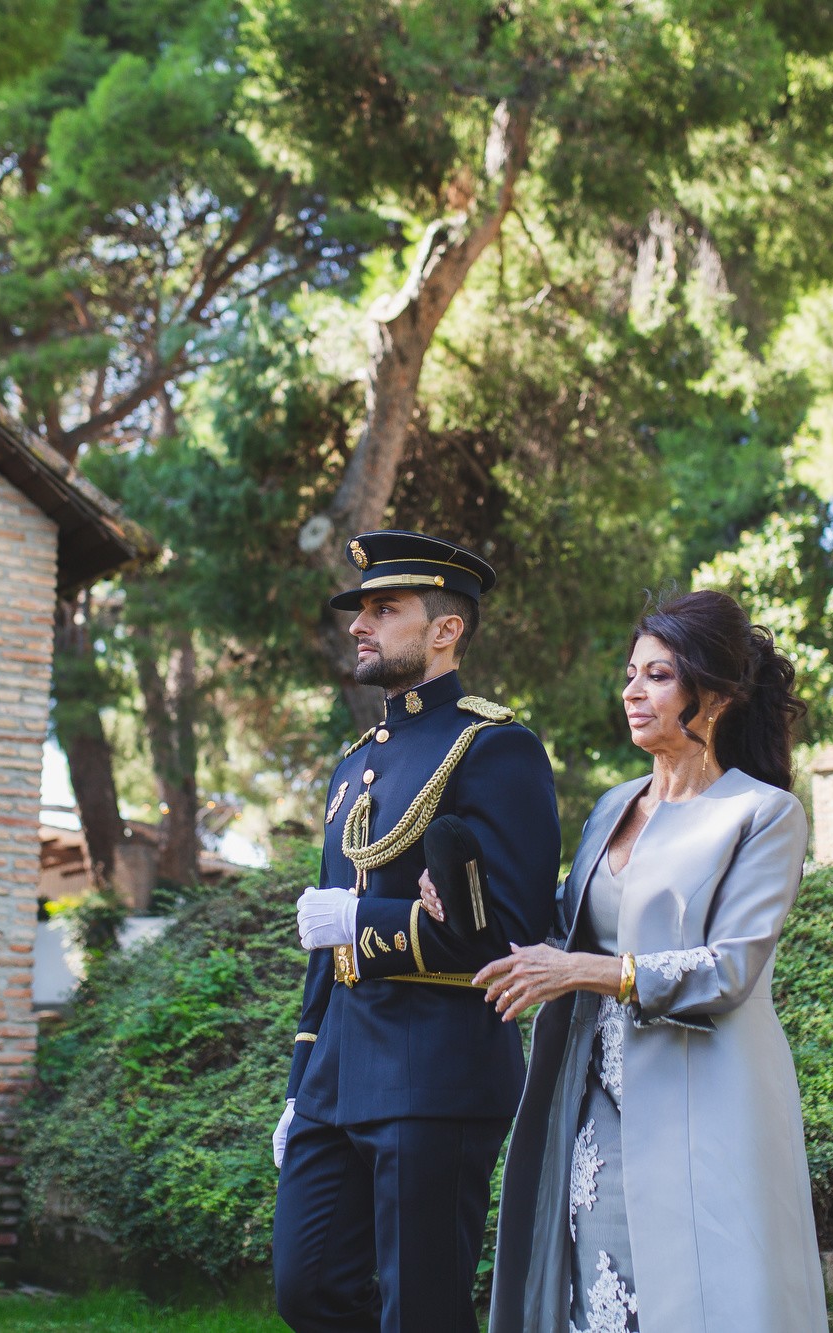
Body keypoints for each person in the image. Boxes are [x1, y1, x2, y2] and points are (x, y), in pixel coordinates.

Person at [476, 589, 826, 1333]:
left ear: (718, 694)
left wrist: (586, 973)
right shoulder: (611, 805)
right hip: (596, 1094)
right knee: (592, 1287)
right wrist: (469, 901)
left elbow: (729, 969)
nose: (632, 691)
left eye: (658, 675)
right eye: (631, 672)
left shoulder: (765, 815)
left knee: (707, 1297)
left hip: (713, 1097)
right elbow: (569, 923)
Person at [272, 530, 561, 1333]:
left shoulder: (493, 746)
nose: (361, 624)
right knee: (309, 1286)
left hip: (437, 1063)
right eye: (360, 610)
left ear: (446, 628)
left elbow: (511, 928)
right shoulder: (354, 760)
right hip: (337, 1069)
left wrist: (363, 920)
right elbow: (327, 953)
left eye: (384, 608)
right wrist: (299, 1089)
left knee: (422, 1311)